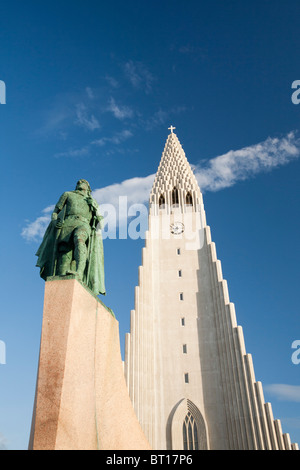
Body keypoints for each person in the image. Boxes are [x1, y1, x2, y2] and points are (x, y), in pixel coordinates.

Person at [36, 179, 105, 296]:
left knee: (79, 239)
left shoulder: (92, 201)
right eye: (79, 182)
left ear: (88, 188)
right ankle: (61, 286)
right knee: (64, 256)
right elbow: (55, 212)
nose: (80, 182)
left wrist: (94, 208)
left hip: (83, 224)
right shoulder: (67, 194)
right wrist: (55, 220)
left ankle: (79, 272)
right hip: (67, 224)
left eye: (84, 182)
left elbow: (100, 224)